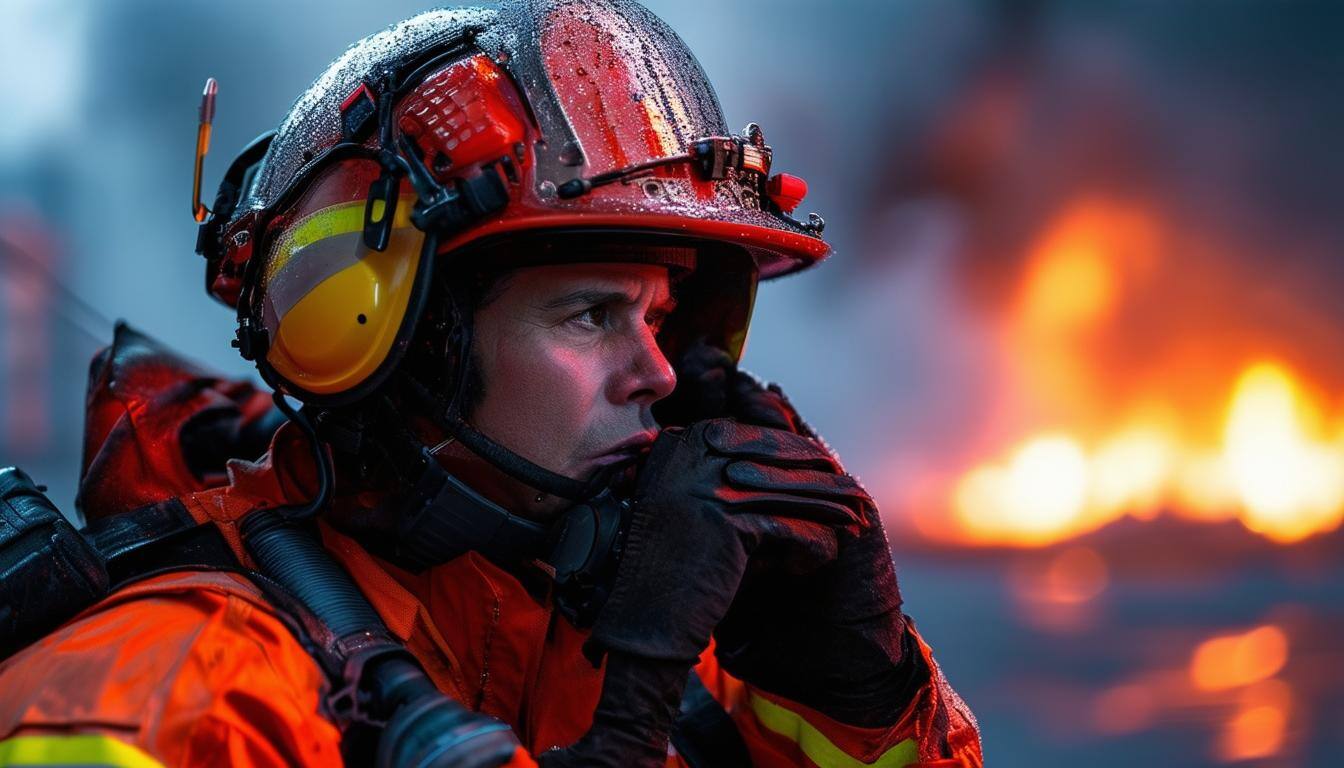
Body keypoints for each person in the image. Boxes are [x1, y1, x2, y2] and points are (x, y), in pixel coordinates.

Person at [0, 2, 983, 766]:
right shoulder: (173, 697)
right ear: (400, 335)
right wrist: (629, 716)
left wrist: (850, 685)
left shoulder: (650, 644)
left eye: (657, 319)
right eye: (592, 315)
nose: (654, 374)